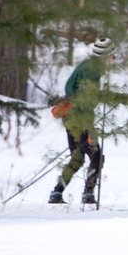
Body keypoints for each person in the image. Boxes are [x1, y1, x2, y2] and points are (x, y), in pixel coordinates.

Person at [48, 37, 115, 204]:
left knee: (77, 158)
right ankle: (88, 194)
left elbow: (70, 88)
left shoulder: (86, 66)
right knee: (97, 157)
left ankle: (57, 193)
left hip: (70, 118)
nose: (113, 60)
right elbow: (84, 99)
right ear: (105, 56)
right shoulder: (92, 71)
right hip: (80, 119)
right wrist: (89, 128)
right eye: (113, 56)